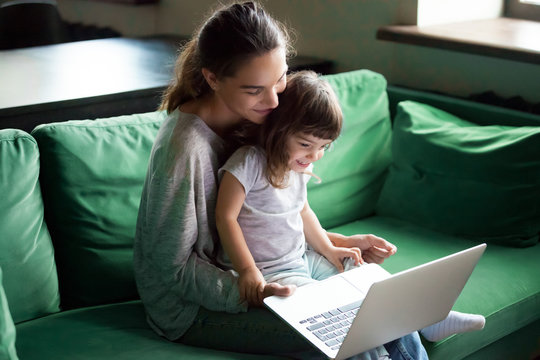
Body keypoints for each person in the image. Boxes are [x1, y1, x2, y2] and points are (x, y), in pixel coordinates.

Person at [133, 1, 429, 359]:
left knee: (390, 314)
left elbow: (268, 217)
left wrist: (334, 243)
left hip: (268, 273)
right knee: (357, 340)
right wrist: (251, 288)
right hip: (192, 309)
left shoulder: (263, 118)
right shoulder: (184, 150)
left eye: (280, 78)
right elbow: (170, 268)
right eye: (254, 88)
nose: (274, 99)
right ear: (212, 78)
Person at [215, 70, 486, 350]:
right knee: (333, 311)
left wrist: (329, 250)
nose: (313, 156)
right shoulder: (248, 161)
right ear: (277, 129)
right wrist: (247, 270)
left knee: (363, 275)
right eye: (305, 144)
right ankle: (377, 353)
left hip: (301, 258)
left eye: (323, 147)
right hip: (271, 272)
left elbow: (303, 212)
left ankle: (432, 320)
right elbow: (225, 217)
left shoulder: (297, 165)